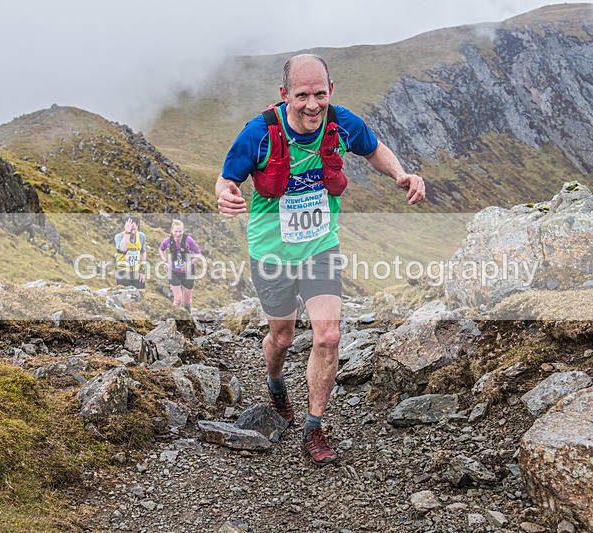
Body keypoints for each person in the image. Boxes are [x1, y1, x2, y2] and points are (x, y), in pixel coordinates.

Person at [215, 54, 426, 465]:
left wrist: (401, 174)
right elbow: (227, 177)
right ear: (284, 95)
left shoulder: (341, 121)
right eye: (302, 95)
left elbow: (374, 149)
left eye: (319, 94)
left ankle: (314, 427)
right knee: (282, 338)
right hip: (271, 251)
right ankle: (276, 383)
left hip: (319, 246)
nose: (312, 104)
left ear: (330, 90)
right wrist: (225, 193)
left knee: (328, 335)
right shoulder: (259, 133)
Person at [159, 219, 203, 313]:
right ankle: (173, 317)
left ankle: (188, 317)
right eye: (175, 231)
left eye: (180, 231)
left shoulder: (189, 240)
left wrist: (189, 263)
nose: (178, 234)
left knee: (187, 301)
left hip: (188, 272)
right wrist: (165, 261)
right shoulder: (167, 241)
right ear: (172, 230)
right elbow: (161, 249)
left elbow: (198, 254)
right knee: (178, 300)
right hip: (173, 272)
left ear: (183, 231)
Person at [114, 216, 147, 291]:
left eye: (134, 229)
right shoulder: (119, 236)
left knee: (141, 294)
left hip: (136, 270)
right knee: (125, 296)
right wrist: (127, 232)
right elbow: (123, 248)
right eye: (130, 229)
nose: (132, 231)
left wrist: (142, 271)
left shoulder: (141, 236)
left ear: (138, 226)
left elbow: (143, 252)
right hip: (122, 271)